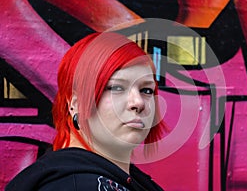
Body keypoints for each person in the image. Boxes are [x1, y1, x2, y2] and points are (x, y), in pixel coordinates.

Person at [6, 32, 166, 191]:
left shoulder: (129, 181)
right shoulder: (75, 185)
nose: (138, 102)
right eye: (116, 88)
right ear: (76, 104)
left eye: (146, 90)